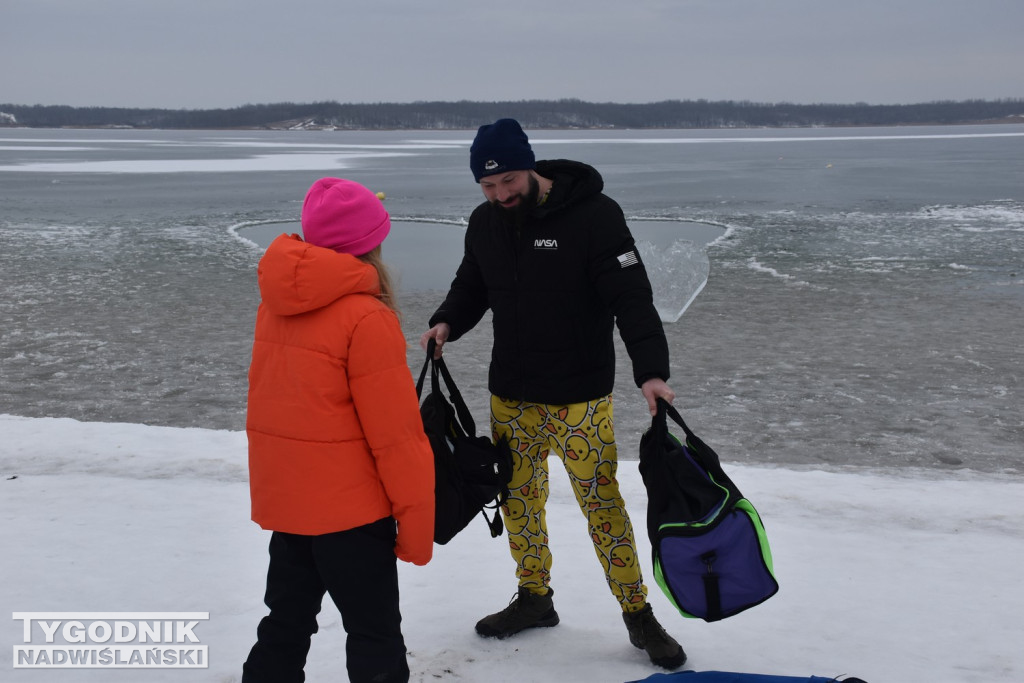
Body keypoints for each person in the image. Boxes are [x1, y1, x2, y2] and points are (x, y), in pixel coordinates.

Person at [420, 119, 685, 669]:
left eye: (508, 181)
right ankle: (535, 597)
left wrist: (651, 371)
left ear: (530, 166)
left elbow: (632, 298)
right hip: (512, 396)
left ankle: (638, 615)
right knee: (518, 502)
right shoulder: (485, 222)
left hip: (578, 399)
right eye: (488, 187)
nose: (500, 195)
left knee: (602, 505)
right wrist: (447, 321)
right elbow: (473, 283)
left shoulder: (594, 217)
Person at [243, 178, 435, 683]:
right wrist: (416, 529)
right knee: (374, 635)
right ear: (372, 243)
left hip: (290, 508)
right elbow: (398, 440)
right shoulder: (366, 317)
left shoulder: (277, 304)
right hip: (352, 518)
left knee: (284, 624)